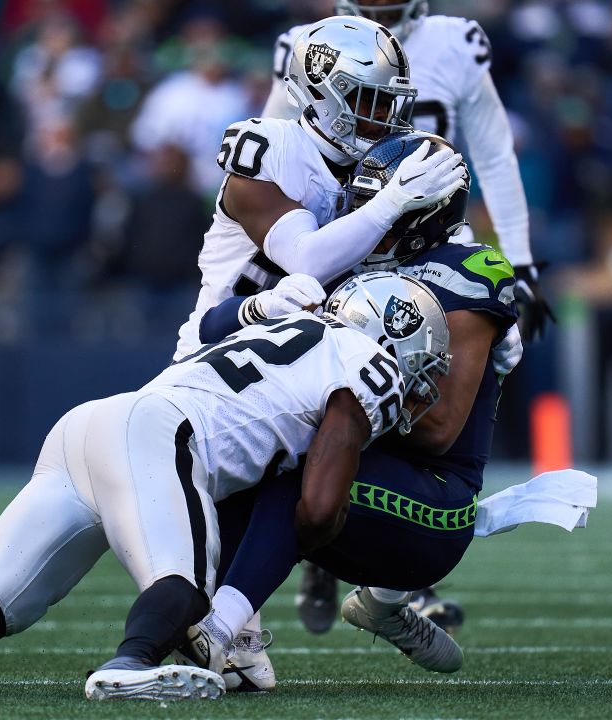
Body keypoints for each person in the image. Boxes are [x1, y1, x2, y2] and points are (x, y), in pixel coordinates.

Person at [0, 271, 452, 701]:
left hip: (89, 428)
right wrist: (317, 541)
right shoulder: (368, 364)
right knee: (184, 587)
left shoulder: (289, 325)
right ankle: (131, 665)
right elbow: (319, 504)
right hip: (159, 433)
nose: (425, 385)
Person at [175, 131, 520, 690]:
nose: (365, 220)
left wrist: (329, 416)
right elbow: (214, 327)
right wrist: (258, 308)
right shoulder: (349, 268)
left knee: (294, 465)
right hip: (353, 476)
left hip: (435, 501)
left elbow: (436, 432)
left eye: (383, 206)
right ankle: (240, 647)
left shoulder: (468, 273)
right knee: (234, 465)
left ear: (427, 214)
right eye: (359, 204)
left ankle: (215, 632)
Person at [263, 0, 553, 633]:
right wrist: (305, 257)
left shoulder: (456, 42)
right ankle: (331, 532)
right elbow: (280, 161)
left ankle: (389, 573)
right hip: (349, 238)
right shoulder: (308, 44)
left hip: (431, 235)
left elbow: (496, 155)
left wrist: (519, 265)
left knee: (445, 379)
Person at [169, 13, 466, 361]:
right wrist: (392, 201)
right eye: (371, 100)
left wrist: (482, 311)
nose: (384, 116)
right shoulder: (271, 149)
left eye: (390, 102)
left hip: (318, 360)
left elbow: (440, 242)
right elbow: (305, 260)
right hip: (221, 349)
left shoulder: (386, 160)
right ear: (324, 93)